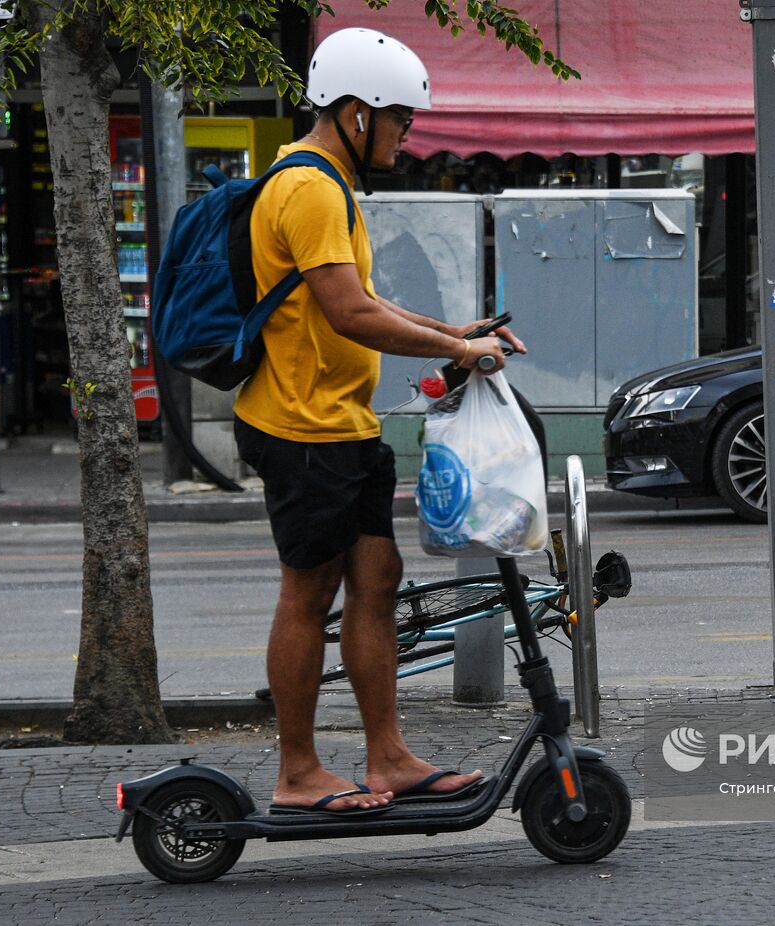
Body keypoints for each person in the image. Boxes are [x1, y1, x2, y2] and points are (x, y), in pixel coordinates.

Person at [233, 27, 527, 816]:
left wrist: (458, 336)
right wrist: (452, 348)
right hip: (301, 429)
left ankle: (388, 756)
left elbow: (370, 300)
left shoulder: (331, 185)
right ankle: (297, 772)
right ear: (358, 113)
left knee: (377, 578)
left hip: (343, 423)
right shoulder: (308, 188)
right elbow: (350, 312)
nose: (408, 134)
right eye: (402, 119)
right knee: (308, 592)